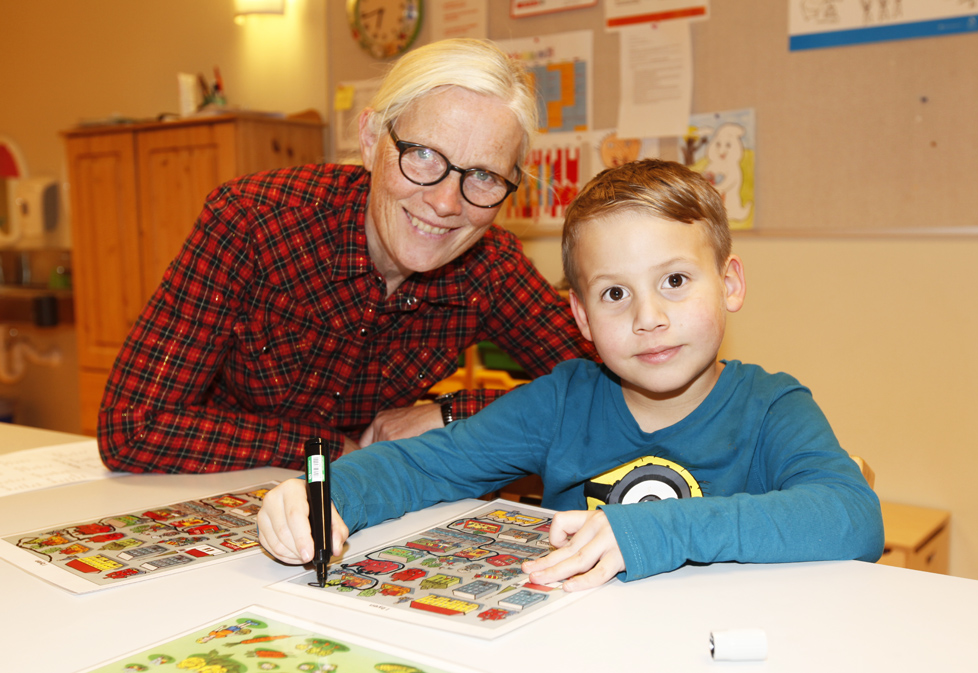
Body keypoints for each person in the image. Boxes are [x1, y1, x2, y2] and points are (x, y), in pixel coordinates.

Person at [257, 159, 884, 590]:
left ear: (729, 284)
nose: (648, 319)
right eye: (615, 295)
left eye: (674, 281)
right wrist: (330, 494)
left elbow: (852, 517)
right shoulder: (562, 400)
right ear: (581, 316)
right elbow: (426, 464)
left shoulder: (773, 405)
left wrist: (658, 531)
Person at [97, 39, 596, 474]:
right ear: (371, 140)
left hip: (365, 507)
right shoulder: (252, 222)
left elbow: (612, 386)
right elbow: (131, 428)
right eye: (423, 155)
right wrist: (323, 448)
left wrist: (451, 412)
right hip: (220, 487)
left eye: (484, 175)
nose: (446, 202)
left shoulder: (489, 267)